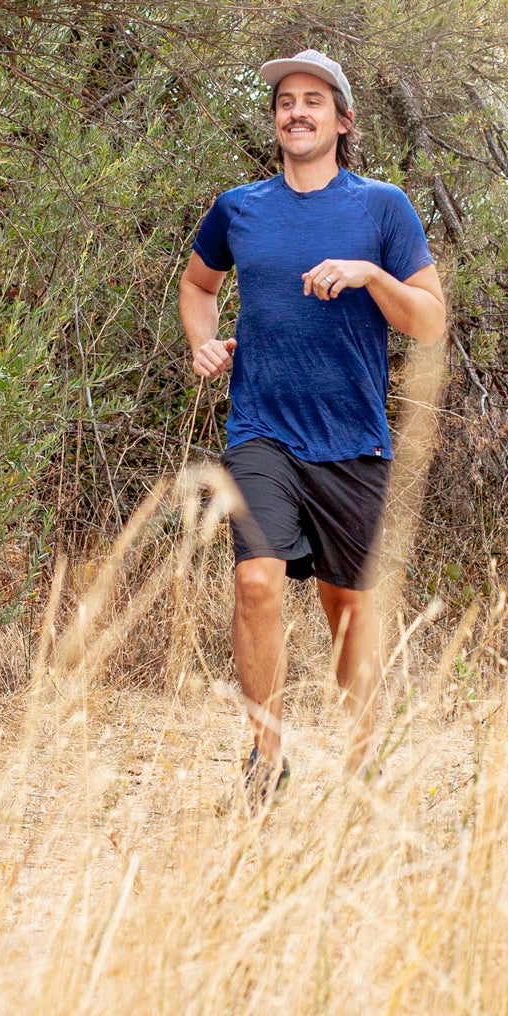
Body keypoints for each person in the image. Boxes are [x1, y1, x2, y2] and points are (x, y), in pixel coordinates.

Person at [179, 48, 446, 799]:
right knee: (257, 583)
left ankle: (365, 756)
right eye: (285, 102)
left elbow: (429, 321)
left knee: (347, 607)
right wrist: (202, 339)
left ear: (343, 120)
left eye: (313, 101)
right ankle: (267, 755)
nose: (296, 111)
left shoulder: (382, 208)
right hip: (260, 429)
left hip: (353, 438)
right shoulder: (241, 208)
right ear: (275, 121)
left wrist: (370, 275)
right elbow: (199, 284)